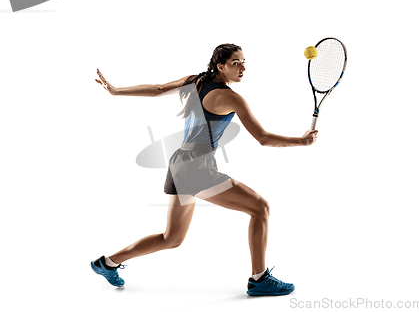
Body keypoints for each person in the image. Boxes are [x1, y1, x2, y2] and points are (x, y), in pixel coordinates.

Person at [92, 43, 318, 296]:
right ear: (220, 67)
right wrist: (301, 141)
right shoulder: (231, 97)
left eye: (244, 62)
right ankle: (259, 279)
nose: (242, 68)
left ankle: (107, 263)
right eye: (236, 63)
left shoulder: (195, 81)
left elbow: (157, 90)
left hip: (179, 161)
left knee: (172, 238)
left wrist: (116, 91)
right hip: (196, 167)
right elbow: (263, 138)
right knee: (260, 208)